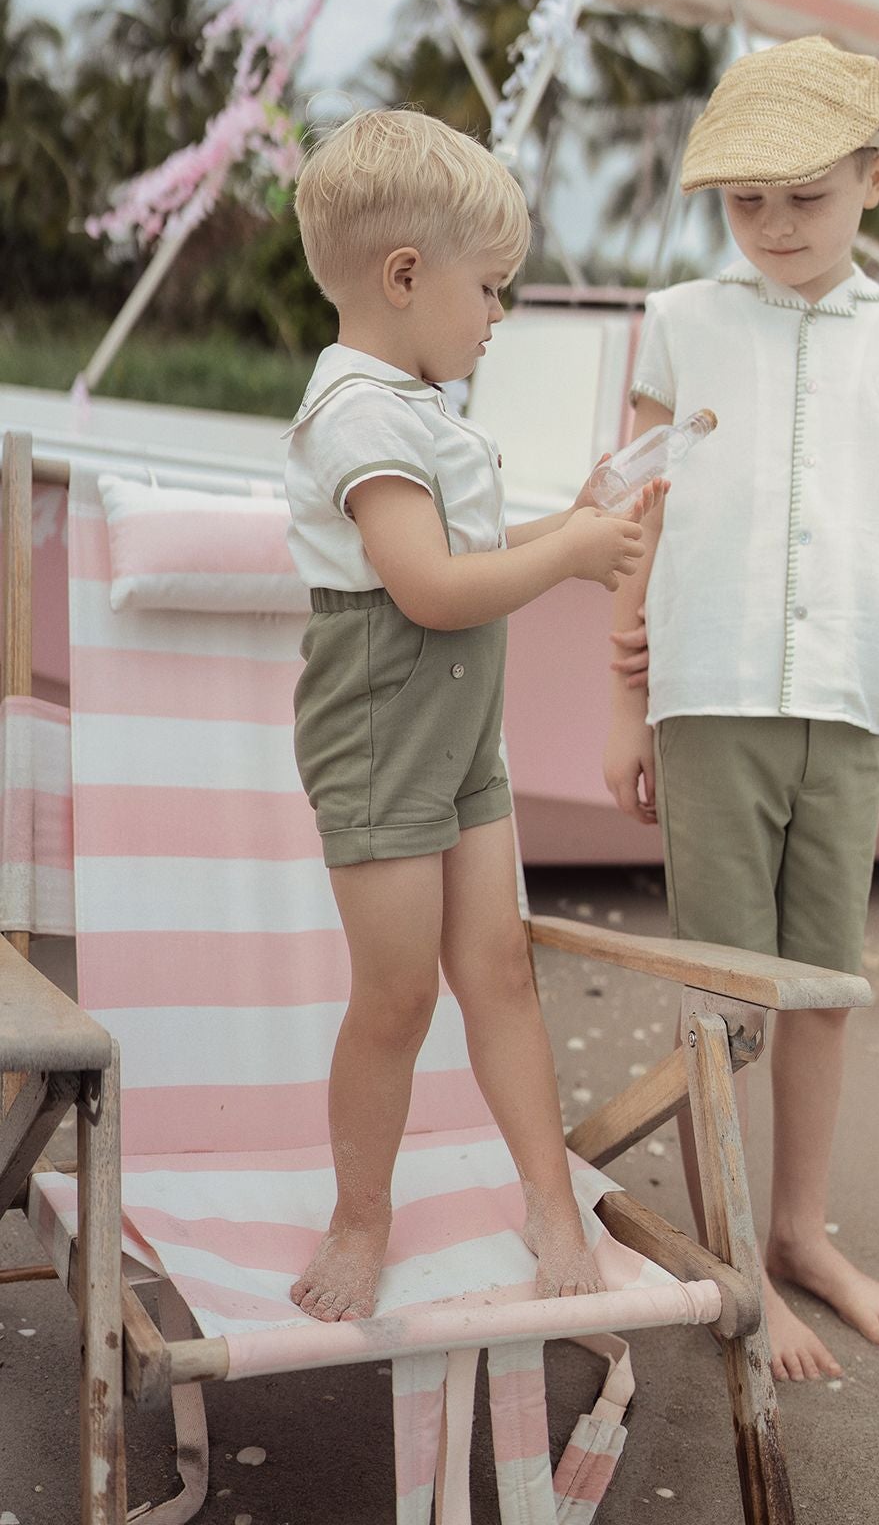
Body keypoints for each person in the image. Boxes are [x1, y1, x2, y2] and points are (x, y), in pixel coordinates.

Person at [603, 37, 879, 1382]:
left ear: (873, 175)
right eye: (745, 202)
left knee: (823, 989)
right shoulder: (681, 321)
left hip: (847, 699)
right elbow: (638, 519)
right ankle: (731, 1253)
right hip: (707, 698)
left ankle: (799, 1230)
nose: (774, 228)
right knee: (718, 992)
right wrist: (628, 703)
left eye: (804, 196)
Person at [285, 108, 658, 1323]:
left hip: (457, 739)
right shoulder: (358, 415)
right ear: (405, 276)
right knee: (396, 997)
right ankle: (360, 1213)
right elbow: (432, 586)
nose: (499, 316)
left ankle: (550, 1197)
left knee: (498, 967)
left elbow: (478, 544)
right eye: (489, 289)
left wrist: (576, 519)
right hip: (386, 738)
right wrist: (569, 562)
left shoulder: (422, 405)